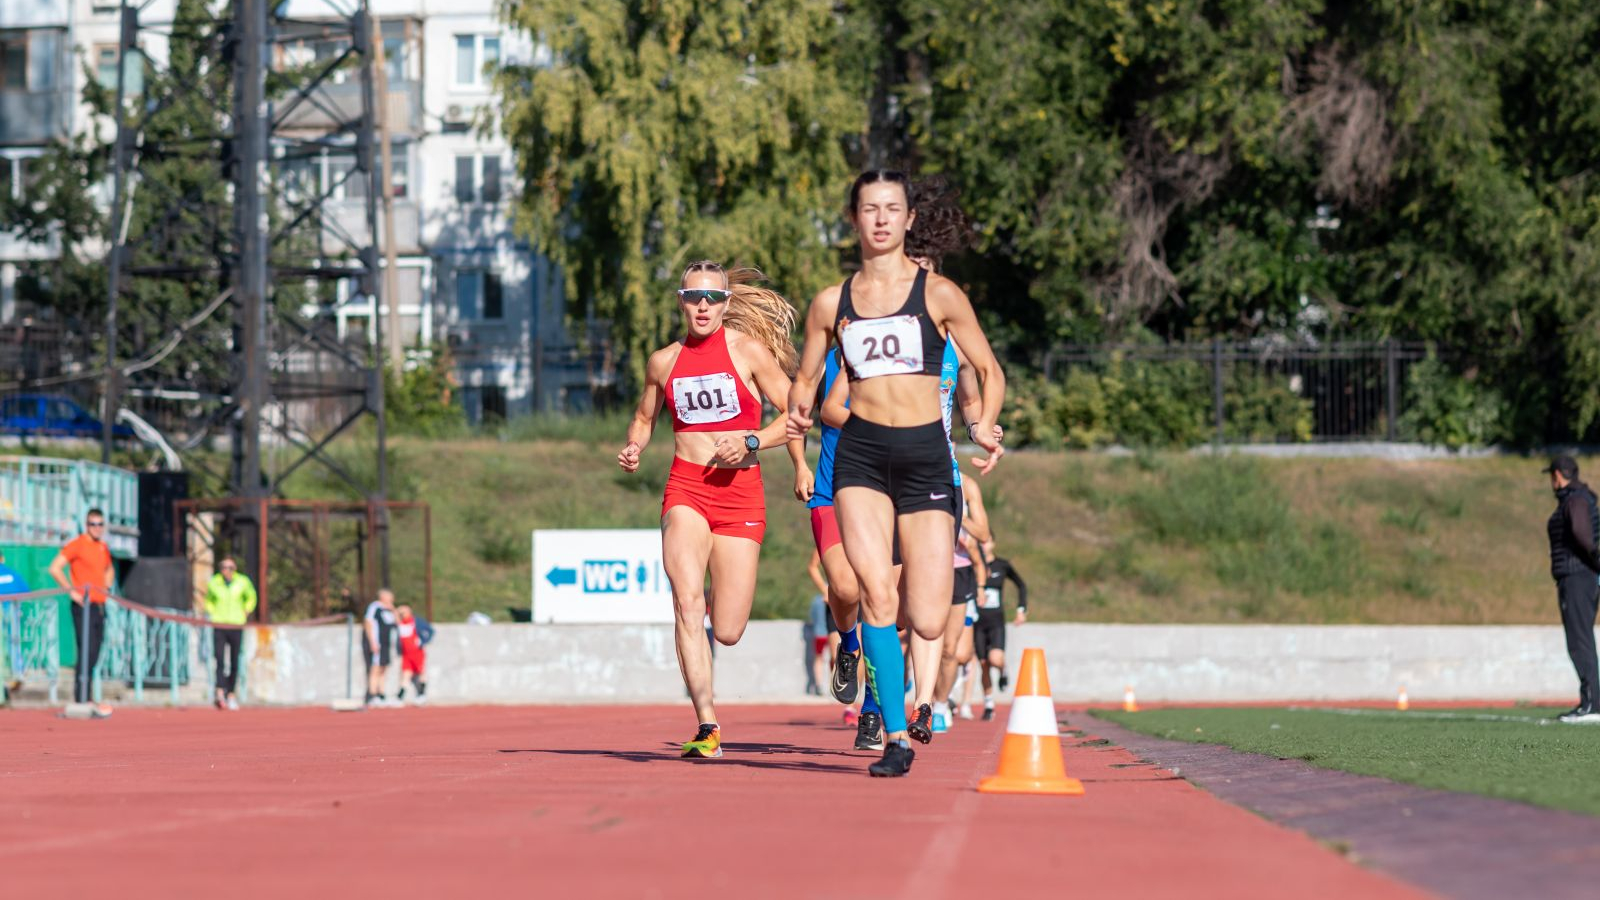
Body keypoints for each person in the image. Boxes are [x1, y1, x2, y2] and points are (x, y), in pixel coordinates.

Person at [788, 170, 1006, 777]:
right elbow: (805, 380)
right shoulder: (832, 303)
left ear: (910, 219)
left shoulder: (939, 294)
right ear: (853, 219)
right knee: (876, 594)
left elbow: (989, 370)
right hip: (860, 456)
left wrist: (984, 424)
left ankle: (922, 702)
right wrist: (797, 412)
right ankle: (893, 735)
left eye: (892, 208)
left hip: (926, 458)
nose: (880, 219)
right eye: (868, 208)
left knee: (930, 615)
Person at [618, 261, 805, 759]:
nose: (703, 306)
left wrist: (751, 439)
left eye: (713, 298)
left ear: (726, 303)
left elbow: (795, 416)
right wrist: (635, 445)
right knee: (686, 601)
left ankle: (710, 708)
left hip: (740, 493)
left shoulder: (747, 352)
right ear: (681, 301)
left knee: (727, 629)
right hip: (686, 489)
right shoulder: (663, 362)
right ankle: (707, 724)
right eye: (694, 296)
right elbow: (643, 417)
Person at [1544, 456, 1600, 724]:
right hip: (1580, 576)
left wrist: (1595, 559)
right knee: (1581, 639)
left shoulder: (1575, 499)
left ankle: (1591, 705)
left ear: (1557, 475)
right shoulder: (1577, 498)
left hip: (1577, 577)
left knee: (1579, 641)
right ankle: (1591, 702)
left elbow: (1581, 534)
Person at [48, 508, 116, 716]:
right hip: (83, 606)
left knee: (95, 652)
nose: (96, 528)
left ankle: (86, 696)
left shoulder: (102, 547)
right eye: (92, 524)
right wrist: (72, 592)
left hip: (99, 605)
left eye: (100, 524)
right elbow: (55, 568)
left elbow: (109, 569)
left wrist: (106, 585)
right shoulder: (77, 545)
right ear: (86, 525)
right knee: (86, 650)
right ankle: (81, 699)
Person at [976, 542, 1028, 720]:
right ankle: (989, 704)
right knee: (983, 664)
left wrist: (1021, 610)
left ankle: (1003, 670)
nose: (982, 545)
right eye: (979, 543)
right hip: (977, 622)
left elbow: (1021, 585)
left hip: (996, 622)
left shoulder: (1002, 565)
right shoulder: (974, 564)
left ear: (993, 543)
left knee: (995, 659)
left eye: (985, 541)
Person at [201, 558, 257, 711]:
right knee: (219, 660)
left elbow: (251, 597)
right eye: (224, 567)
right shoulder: (214, 582)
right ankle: (219, 692)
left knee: (234, 661)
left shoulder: (243, 582)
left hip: (236, 624)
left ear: (235, 568)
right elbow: (208, 600)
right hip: (219, 624)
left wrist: (246, 610)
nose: (227, 570)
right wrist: (212, 613)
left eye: (230, 567)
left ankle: (231, 694)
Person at [0, 550, 32, 695]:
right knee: (13, 643)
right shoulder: (13, 574)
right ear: (2, 558)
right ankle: (17, 672)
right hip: (12, 612)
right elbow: (26, 592)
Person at [363, 588, 399, 707]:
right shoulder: (375, 607)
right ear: (383, 597)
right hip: (377, 643)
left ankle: (381, 695)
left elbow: (398, 622)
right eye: (389, 597)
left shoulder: (389, 610)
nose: (392, 599)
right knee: (375, 669)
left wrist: (393, 609)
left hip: (387, 644)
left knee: (384, 669)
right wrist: (372, 642)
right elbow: (368, 623)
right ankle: (372, 696)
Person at [395, 603, 433, 705]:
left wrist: (422, 641)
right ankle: (400, 697)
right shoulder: (400, 623)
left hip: (417, 653)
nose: (403, 613)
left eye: (405, 611)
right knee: (405, 674)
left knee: (421, 672)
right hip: (406, 654)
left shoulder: (417, 621)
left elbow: (430, 631)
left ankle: (421, 694)